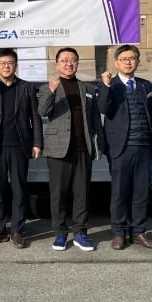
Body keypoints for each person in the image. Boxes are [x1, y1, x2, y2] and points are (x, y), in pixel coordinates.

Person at [38, 47, 103, 252]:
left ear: (77, 63)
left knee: (82, 193)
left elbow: (95, 119)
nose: (69, 64)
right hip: (59, 149)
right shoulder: (48, 87)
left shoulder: (88, 88)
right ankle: (60, 233)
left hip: (83, 148)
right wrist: (51, 90)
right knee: (59, 193)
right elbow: (42, 111)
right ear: (57, 64)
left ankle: (80, 233)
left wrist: (100, 145)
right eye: (64, 60)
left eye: (73, 60)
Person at [0, 49, 43, 249]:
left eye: (10, 62)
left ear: (16, 65)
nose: (6, 66)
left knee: (19, 189)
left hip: (19, 146)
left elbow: (35, 117)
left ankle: (17, 231)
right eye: (2, 63)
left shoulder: (26, 87)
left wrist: (37, 142)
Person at [98, 44, 152, 250]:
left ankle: (139, 232)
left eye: (132, 58)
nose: (128, 62)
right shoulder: (111, 84)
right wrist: (105, 86)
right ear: (116, 63)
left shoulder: (144, 85)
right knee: (119, 193)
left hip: (143, 147)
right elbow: (103, 108)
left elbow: (151, 115)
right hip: (120, 148)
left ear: (138, 62)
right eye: (123, 59)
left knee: (141, 193)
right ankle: (118, 233)